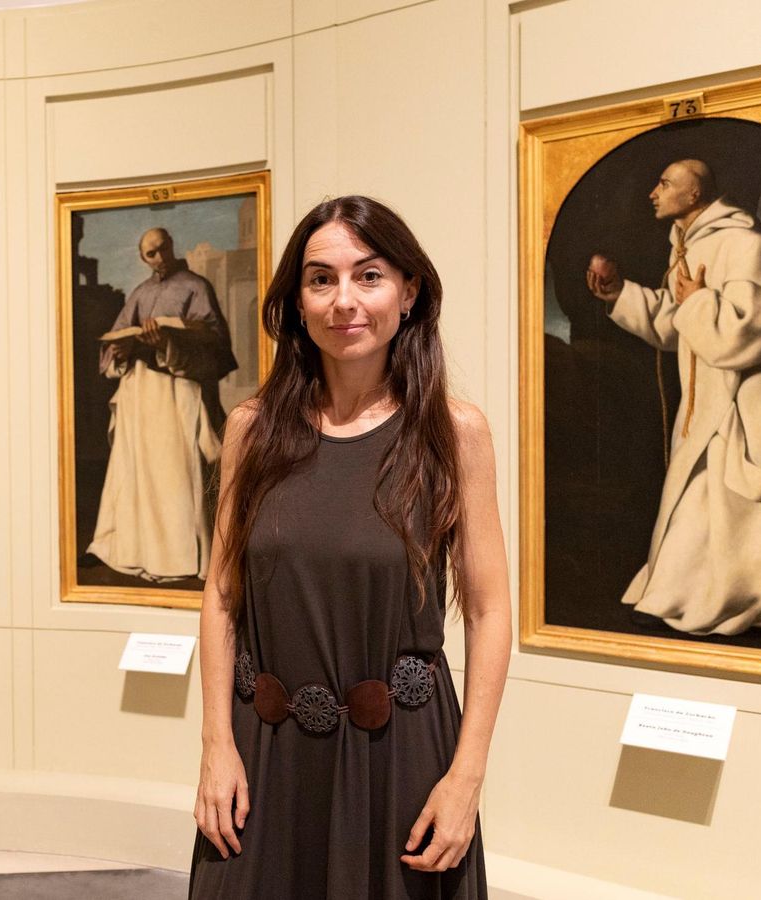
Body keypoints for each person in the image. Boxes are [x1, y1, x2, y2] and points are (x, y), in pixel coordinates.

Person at [189, 196, 509, 899]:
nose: (344, 301)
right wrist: (217, 744)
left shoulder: (455, 434)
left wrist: (466, 777)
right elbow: (220, 597)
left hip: (399, 758)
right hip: (265, 759)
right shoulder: (252, 428)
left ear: (409, 291)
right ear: (297, 301)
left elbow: (488, 613)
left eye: (368, 276)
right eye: (321, 279)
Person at [586, 159, 761, 635]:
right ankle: (691, 599)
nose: (652, 193)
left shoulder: (747, 246)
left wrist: (698, 303)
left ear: (695, 195)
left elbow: (755, 334)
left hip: (747, 408)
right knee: (702, 507)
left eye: (664, 184)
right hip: (707, 408)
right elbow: (671, 324)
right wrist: (621, 292)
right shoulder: (690, 247)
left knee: (738, 511)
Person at [87, 227, 238, 582]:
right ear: (144, 259)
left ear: (172, 245)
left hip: (177, 396)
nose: (159, 257)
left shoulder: (196, 287)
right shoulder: (140, 293)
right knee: (138, 474)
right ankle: (136, 551)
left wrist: (166, 345)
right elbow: (112, 343)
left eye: (162, 248)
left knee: (174, 476)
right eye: (150, 254)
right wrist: (122, 350)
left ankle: (176, 558)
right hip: (141, 396)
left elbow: (215, 343)